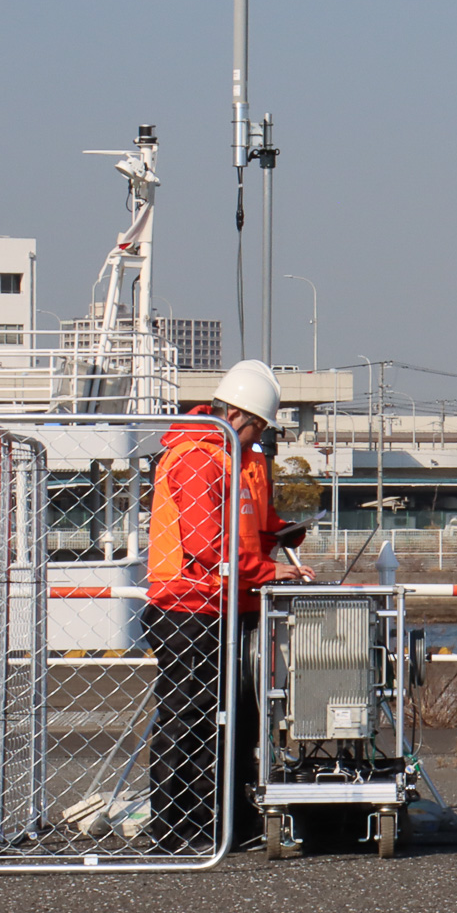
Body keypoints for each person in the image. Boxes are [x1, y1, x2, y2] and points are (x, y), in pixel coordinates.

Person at [145, 360, 311, 851]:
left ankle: (221, 822)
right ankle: (179, 828)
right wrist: (267, 569)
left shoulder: (225, 459)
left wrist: (274, 535)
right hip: (190, 607)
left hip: (217, 604)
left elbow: (230, 534)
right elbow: (206, 545)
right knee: (193, 715)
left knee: (228, 718)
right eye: (258, 428)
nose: (257, 439)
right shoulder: (199, 458)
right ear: (239, 417)